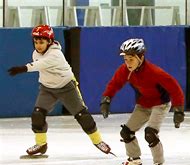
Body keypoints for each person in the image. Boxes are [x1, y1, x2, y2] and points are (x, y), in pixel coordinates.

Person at [7, 24, 113, 157]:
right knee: (37, 115)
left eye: (41, 42)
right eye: (36, 42)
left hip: (66, 87)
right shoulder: (36, 53)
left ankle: (98, 141)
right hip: (47, 88)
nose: (38, 45)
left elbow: (40, 65)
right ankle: (41, 144)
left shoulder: (55, 54)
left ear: (50, 41)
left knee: (82, 115)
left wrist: (23, 68)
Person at [100, 38, 185, 165]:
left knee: (150, 133)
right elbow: (115, 83)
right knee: (126, 132)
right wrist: (106, 98)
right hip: (143, 105)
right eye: (125, 59)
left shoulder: (155, 72)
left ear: (141, 57)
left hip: (160, 104)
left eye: (131, 59)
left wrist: (179, 110)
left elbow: (174, 88)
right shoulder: (125, 70)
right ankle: (134, 159)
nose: (127, 63)